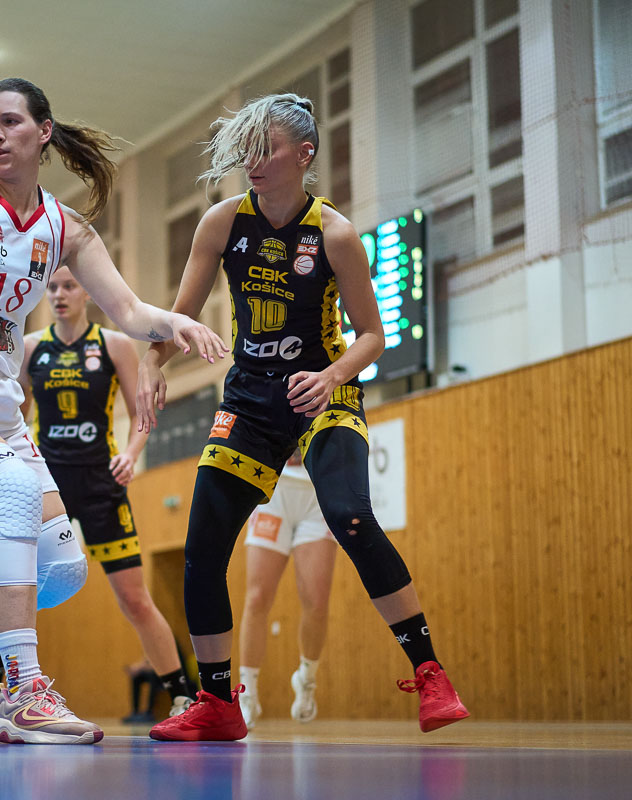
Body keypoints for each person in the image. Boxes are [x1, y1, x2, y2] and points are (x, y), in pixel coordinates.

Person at [0, 77, 227, 745]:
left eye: (9, 122)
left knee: (61, 571)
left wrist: (177, 321)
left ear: (43, 132)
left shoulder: (63, 228)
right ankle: (23, 692)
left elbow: (129, 311)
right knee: (18, 493)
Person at [139, 93, 469, 741]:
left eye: (266, 149)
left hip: (322, 393)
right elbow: (180, 317)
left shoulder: (334, 234)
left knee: (350, 516)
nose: (252, 162)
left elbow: (372, 336)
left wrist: (332, 377)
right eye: (247, 150)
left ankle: (431, 674)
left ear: (304, 154)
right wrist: (154, 362)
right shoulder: (222, 223)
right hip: (249, 401)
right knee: (202, 549)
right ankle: (218, 701)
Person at [19, 265, 197, 716]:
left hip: (102, 482)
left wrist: (132, 454)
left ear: (86, 292)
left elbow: (142, 411)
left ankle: (182, 694)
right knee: (15, 589)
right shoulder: (31, 348)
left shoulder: (113, 344)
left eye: (69, 285)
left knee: (135, 598)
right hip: (47, 485)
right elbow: (13, 416)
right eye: (52, 287)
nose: (59, 294)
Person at [236, 449, 337, 728]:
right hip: (273, 487)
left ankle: (306, 678)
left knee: (317, 602)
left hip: (318, 491)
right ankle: (247, 694)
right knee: (257, 598)